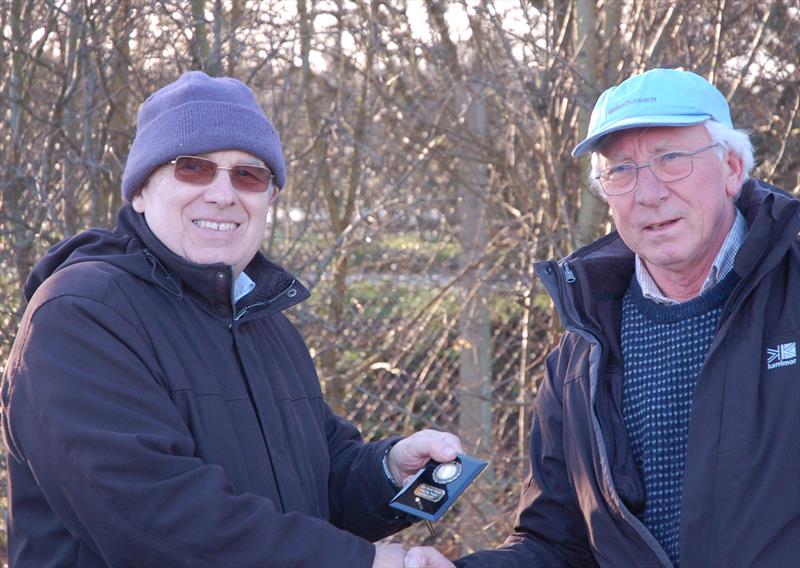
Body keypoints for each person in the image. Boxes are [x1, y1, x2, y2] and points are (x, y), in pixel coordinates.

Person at [1, 71, 459, 567]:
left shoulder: (263, 322)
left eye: (248, 175)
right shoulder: (81, 316)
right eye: (193, 168)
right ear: (139, 191)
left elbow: (313, 489)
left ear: (269, 198)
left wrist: (390, 471)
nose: (223, 194)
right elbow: (156, 522)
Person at [454, 68, 800, 567]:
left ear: (730, 168)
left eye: (671, 159)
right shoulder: (581, 355)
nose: (648, 192)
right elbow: (558, 544)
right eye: (621, 171)